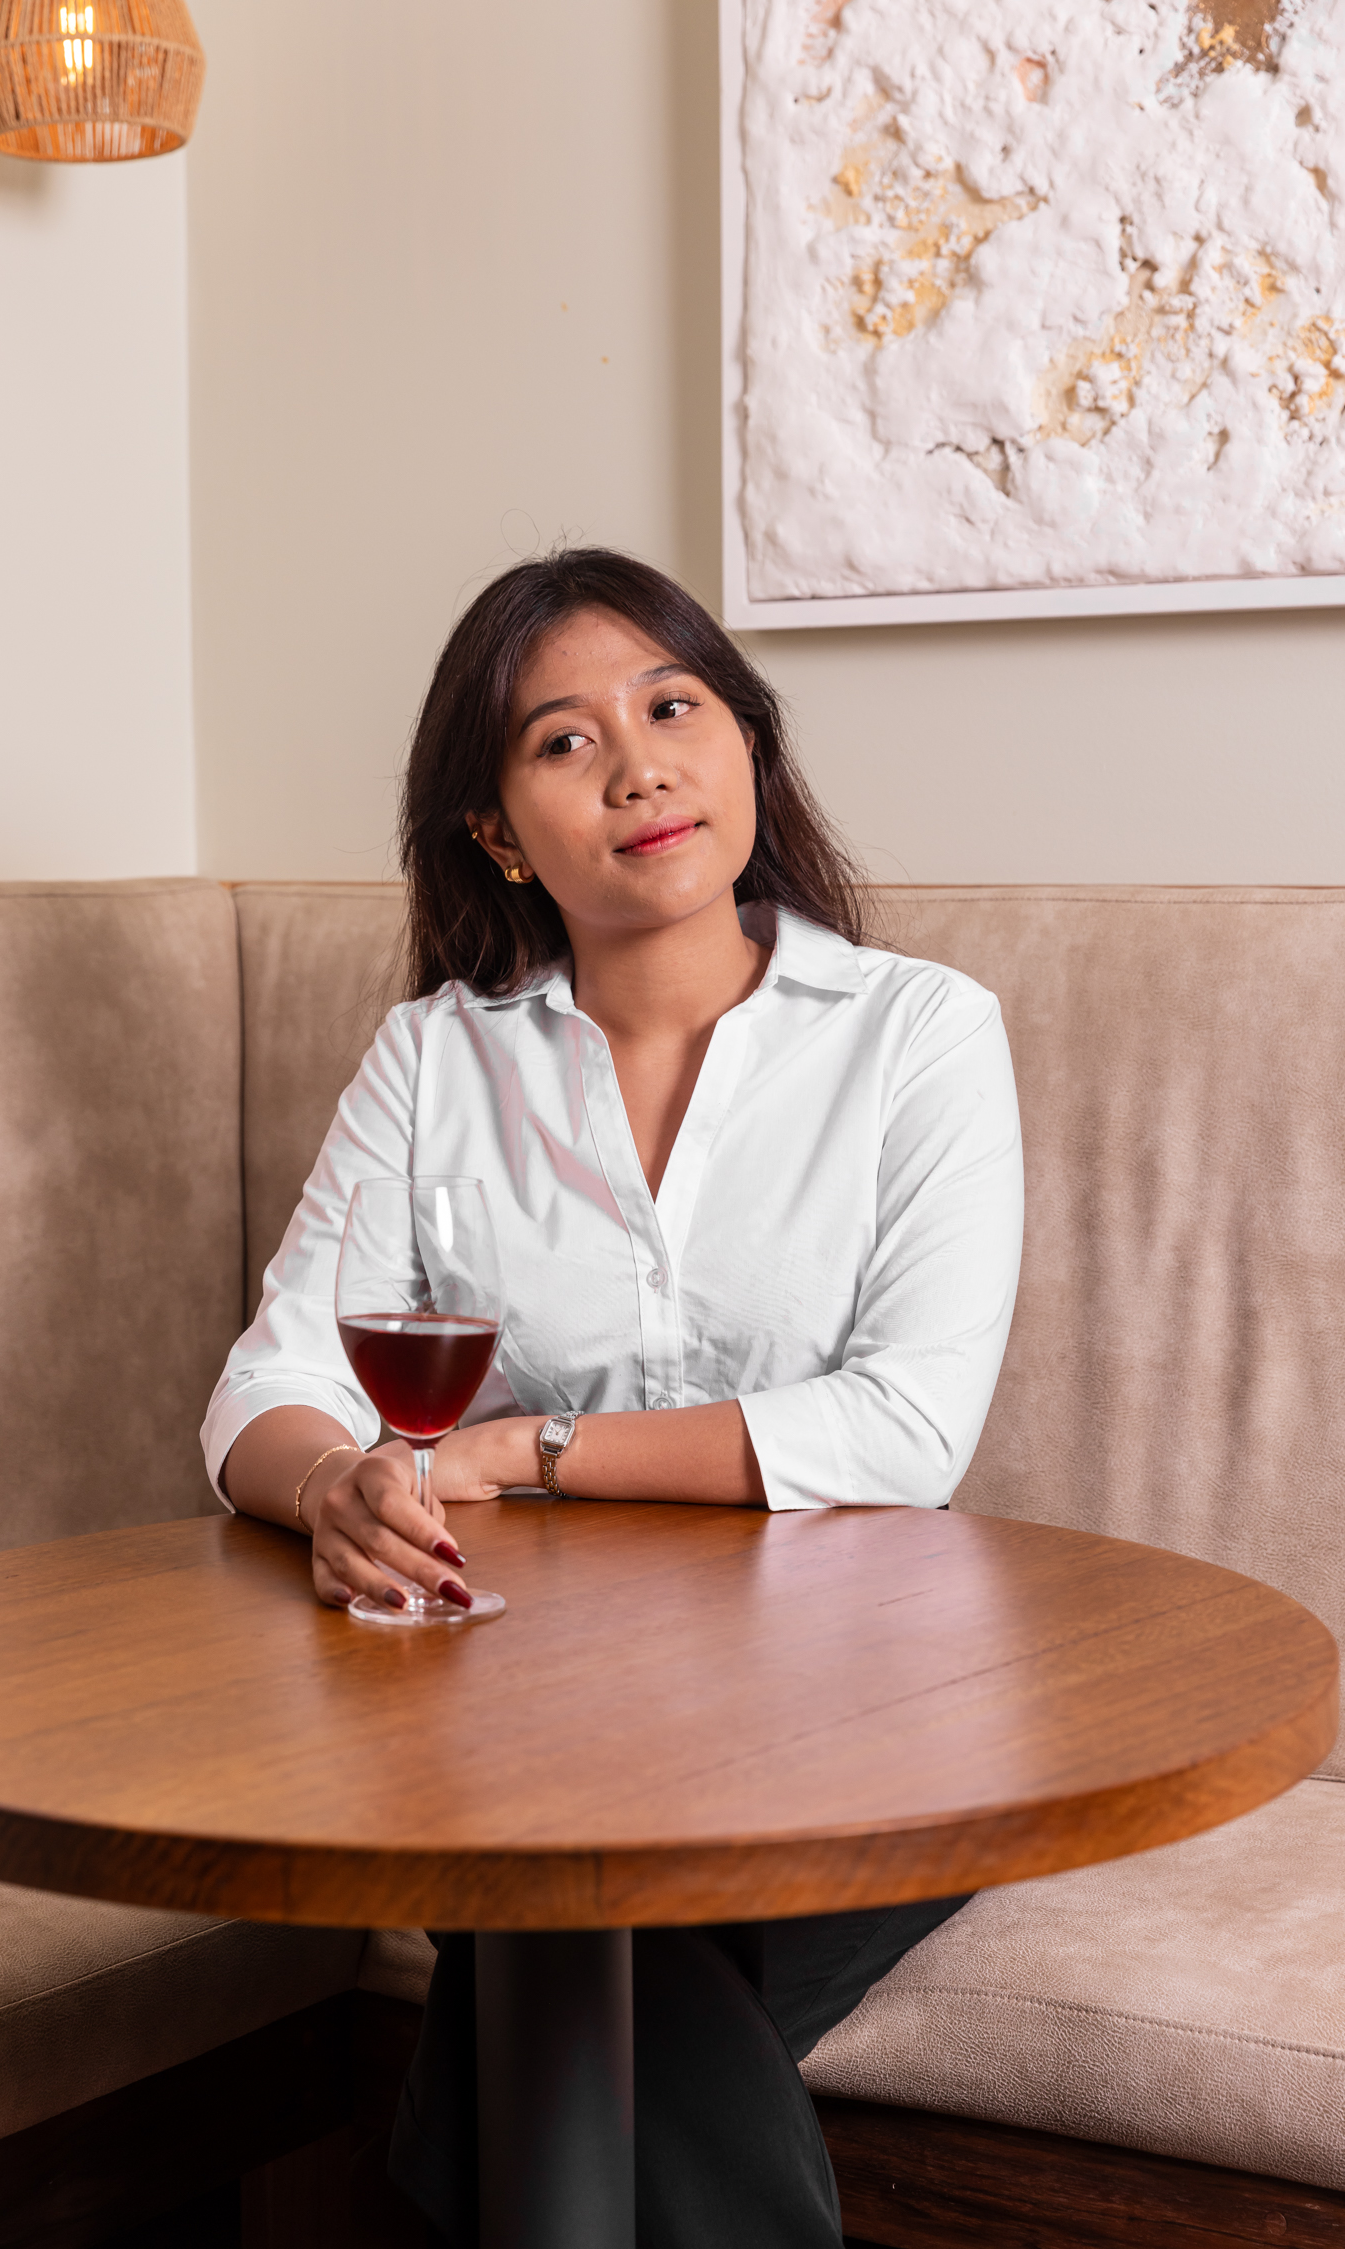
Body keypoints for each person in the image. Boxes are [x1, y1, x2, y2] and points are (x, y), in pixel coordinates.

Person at [202, 547, 1023, 2247]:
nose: (639, 761)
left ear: (748, 751)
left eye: (674, 707)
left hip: (866, 1715)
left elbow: (902, 1427)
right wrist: (334, 1486)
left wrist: (534, 1451)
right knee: (573, 1904)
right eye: (563, 742)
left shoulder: (920, 1036)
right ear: (499, 831)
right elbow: (269, 1389)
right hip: (535, 1730)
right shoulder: (439, 1061)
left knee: (555, 1947)